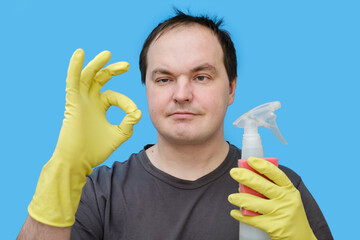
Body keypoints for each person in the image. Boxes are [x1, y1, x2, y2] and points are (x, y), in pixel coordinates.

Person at [17, 10, 333, 240]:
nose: (181, 95)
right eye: (164, 79)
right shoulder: (99, 193)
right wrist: (63, 169)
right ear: (146, 90)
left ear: (231, 89)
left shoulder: (276, 189)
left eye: (201, 77)